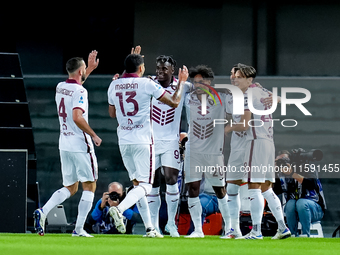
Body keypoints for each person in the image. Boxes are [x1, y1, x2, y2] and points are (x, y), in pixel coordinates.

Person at [107, 47, 189, 237]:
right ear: (142, 68)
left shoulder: (115, 84)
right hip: (143, 141)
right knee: (146, 185)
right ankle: (119, 210)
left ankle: (151, 228)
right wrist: (182, 82)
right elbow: (175, 102)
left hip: (124, 140)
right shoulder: (147, 84)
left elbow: (112, 114)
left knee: (138, 184)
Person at [33, 50, 101, 237]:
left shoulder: (60, 86)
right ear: (80, 72)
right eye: (85, 69)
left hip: (64, 142)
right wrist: (93, 134)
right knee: (90, 185)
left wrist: (91, 69)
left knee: (71, 187)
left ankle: (43, 212)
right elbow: (77, 116)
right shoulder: (80, 91)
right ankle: (78, 230)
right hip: (80, 142)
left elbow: (75, 87)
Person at [225, 64, 290, 240]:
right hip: (268, 142)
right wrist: (276, 98)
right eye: (234, 76)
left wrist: (226, 129)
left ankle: (256, 231)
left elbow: (245, 124)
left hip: (255, 141)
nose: (235, 79)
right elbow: (276, 98)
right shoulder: (260, 91)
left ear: (249, 79)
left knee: (254, 186)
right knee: (266, 188)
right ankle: (283, 228)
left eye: (238, 76)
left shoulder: (247, 95)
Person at [183, 65, 230, 238]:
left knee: (219, 190)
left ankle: (230, 227)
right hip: (193, 150)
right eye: (195, 82)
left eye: (201, 82)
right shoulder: (188, 97)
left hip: (214, 152)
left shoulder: (222, 97)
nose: (197, 85)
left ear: (209, 82)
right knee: (193, 189)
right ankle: (197, 230)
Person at [147, 55, 192, 237]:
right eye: (158, 68)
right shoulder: (149, 83)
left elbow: (204, 87)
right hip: (150, 141)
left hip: (171, 141)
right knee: (153, 183)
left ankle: (171, 224)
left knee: (171, 180)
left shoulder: (184, 86)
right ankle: (154, 226)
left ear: (172, 71)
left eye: (164, 69)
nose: (160, 71)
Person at [276, 150, 326, 237]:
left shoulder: (307, 167)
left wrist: (292, 173)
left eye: (285, 160)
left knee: (301, 203)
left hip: (315, 209)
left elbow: (311, 184)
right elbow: (276, 190)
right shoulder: (281, 173)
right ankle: (292, 234)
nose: (283, 164)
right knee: (290, 203)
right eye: (279, 161)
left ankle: (305, 234)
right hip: (294, 209)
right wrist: (273, 172)